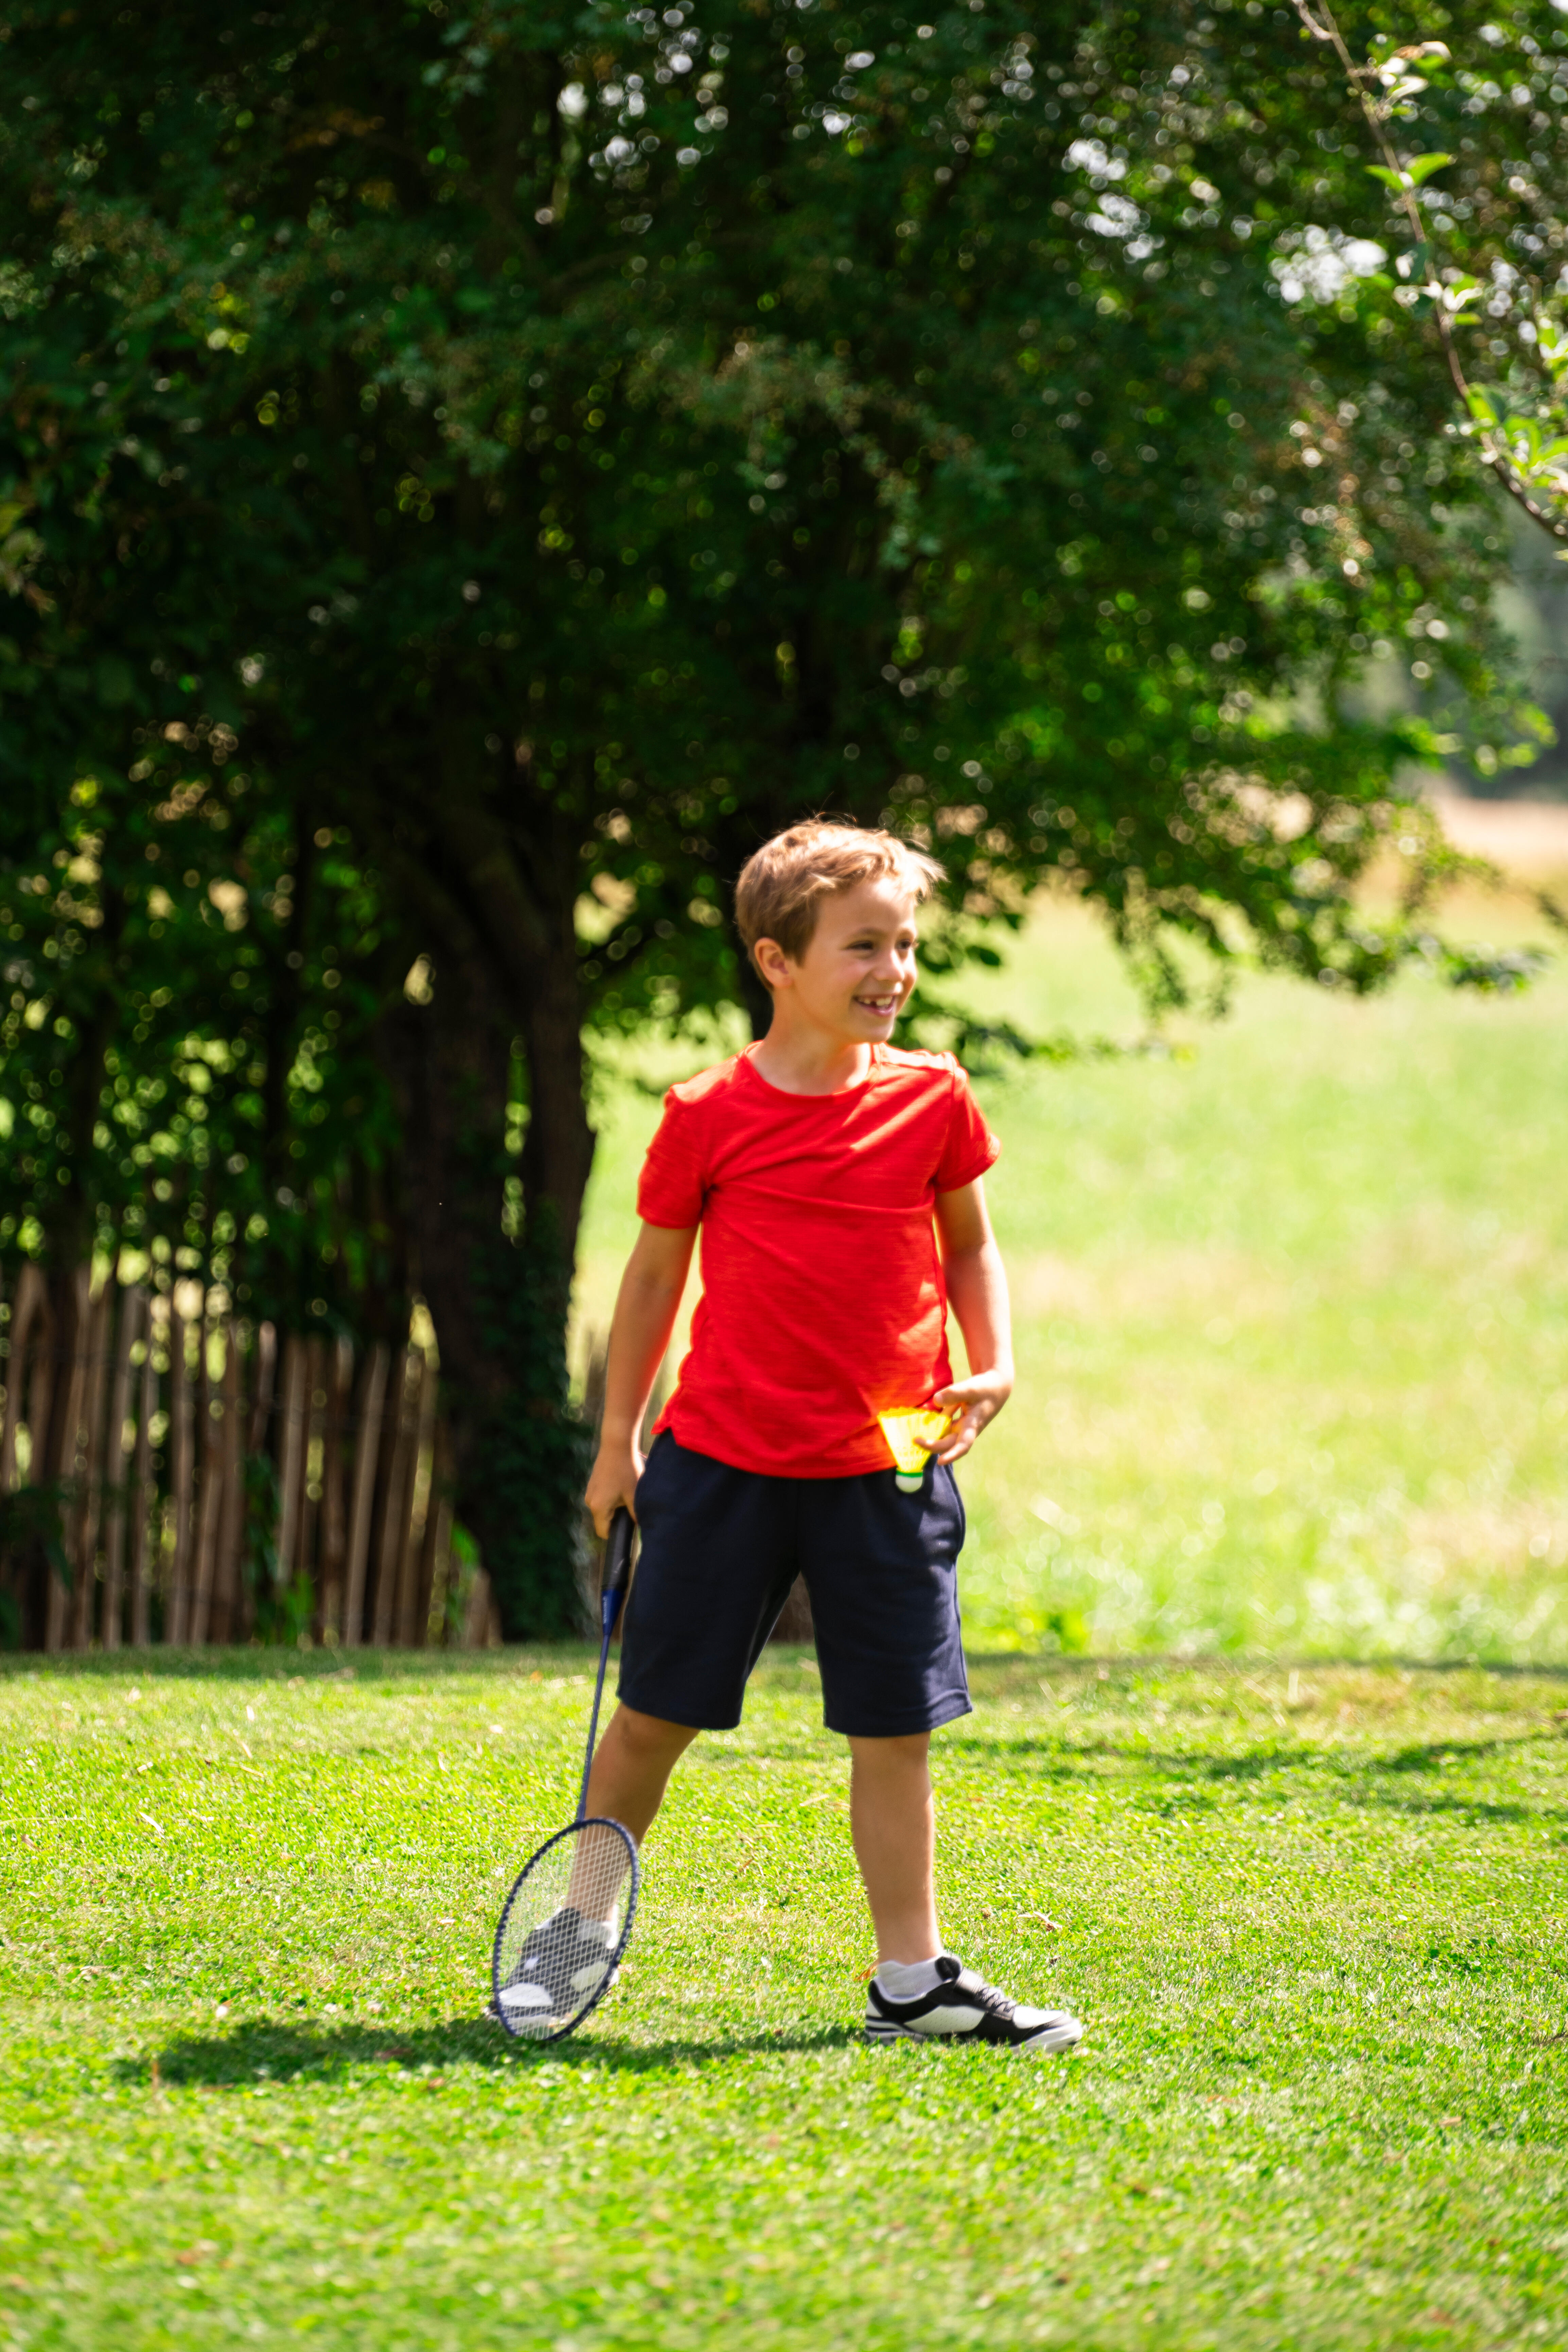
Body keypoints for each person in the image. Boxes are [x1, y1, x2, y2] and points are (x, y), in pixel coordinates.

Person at [578, 820, 1083, 2054]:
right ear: (776, 958)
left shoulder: (934, 1098)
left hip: (889, 1469)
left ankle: (911, 1980)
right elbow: (652, 1284)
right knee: (653, 1714)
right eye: (865, 943)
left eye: (906, 944)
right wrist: (616, 1440)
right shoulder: (706, 1113)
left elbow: (970, 1244)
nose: (894, 968)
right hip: (722, 1462)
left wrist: (994, 1359)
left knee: (894, 1727)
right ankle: (572, 1933)